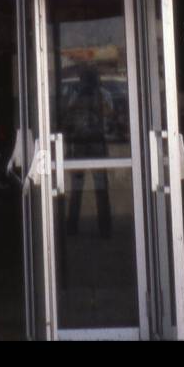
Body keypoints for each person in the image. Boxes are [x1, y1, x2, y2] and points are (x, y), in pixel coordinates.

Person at [63, 66, 112, 239]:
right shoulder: (79, 95)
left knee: (97, 186)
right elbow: (69, 115)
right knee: (82, 187)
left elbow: (108, 113)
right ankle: (79, 226)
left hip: (91, 142)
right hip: (85, 143)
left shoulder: (101, 95)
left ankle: (100, 226)